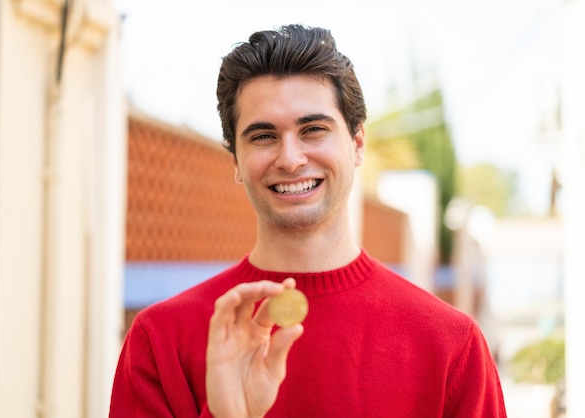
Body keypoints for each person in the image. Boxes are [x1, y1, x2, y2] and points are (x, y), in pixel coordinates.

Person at [109, 24, 507, 418]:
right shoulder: (160, 341)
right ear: (236, 161)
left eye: (313, 129)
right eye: (263, 136)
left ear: (357, 144)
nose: (290, 158)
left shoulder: (451, 345)